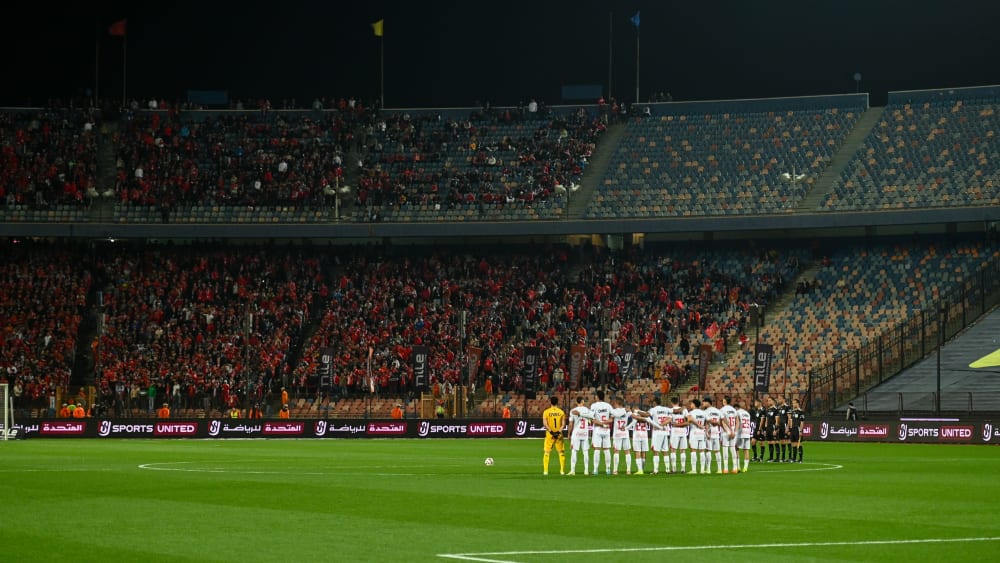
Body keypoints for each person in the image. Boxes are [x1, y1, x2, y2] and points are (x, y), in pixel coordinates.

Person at [589, 389, 614, 475]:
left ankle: (596, 470)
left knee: (597, 449)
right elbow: (612, 418)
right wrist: (605, 423)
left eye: (595, 396)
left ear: (597, 397)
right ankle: (608, 469)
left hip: (598, 430)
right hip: (606, 430)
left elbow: (592, 419)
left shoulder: (594, 405)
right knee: (606, 450)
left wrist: (601, 424)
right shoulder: (608, 405)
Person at [646, 397, 672, 475]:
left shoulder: (653, 409)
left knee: (656, 451)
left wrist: (638, 412)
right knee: (665, 451)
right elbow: (670, 418)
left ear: (654, 402)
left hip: (657, 432)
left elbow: (646, 415)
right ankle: (667, 469)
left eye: (652, 402)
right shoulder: (666, 409)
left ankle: (655, 470)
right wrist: (662, 424)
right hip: (665, 432)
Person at [541, 396, 567, 476]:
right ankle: (562, 471)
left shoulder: (546, 412)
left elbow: (545, 424)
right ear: (557, 402)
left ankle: (546, 471)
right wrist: (558, 432)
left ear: (550, 402)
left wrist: (551, 432)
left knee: (547, 452)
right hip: (559, 435)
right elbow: (563, 424)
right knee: (561, 452)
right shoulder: (561, 412)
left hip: (550, 435)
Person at [567, 397, 592, 475]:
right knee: (585, 451)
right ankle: (586, 470)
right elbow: (591, 420)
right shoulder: (587, 410)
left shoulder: (573, 411)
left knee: (574, 451)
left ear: (577, 402)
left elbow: (570, 424)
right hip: (584, 433)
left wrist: (569, 434)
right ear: (582, 401)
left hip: (576, 433)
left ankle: (572, 470)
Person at [702, 396, 726, 474]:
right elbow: (721, 422)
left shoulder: (705, 412)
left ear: (708, 402)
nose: (703, 403)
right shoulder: (718, 411)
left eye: (704, 402)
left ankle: (708, 469)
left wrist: (707, 432)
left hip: (709, 433)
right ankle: (719, 469)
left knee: (708, 450)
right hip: (716, 433)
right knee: (717, 451)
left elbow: (706, 423)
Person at [610, 397, 632, 475]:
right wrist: (627, 410)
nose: (613, 404)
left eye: (614, 402)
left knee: (616, 451)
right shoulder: (627, 411)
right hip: (625, 433)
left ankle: (615, 470)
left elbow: (613, 417)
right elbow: (633, 416)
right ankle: (628, 470)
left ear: (617, 403)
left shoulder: (614, 411)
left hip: (617, 434)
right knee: (627, 451)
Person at [668, 396, 689, 474]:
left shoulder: (670, 410)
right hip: (683, 431)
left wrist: (676, 424)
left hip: (675, 431)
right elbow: (688, 421)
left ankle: (674, 469)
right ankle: (683, 469)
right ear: (678, 402)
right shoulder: (684, 410)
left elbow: (670, 421)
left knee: (673, 450)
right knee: (682, 450)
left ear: (671, 402)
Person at [686, 398, 708, 474]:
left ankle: (694, 469)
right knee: (702, 451)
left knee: (693, 450)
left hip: (694, 432)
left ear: (694, 404)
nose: (690, 405)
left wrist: (698, 425)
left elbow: (689, 419)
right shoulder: (703, 413)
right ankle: (702, 469)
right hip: (702, 432)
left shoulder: (691, 412)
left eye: (691, 403)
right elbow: (706, 422)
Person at [719, 396, 740, 474]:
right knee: (733, 449)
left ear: (724, 401)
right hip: (733, 432)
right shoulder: (734, 410)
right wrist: (735, 431)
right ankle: (735, 468)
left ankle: (726, 469)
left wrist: (727, 430)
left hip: (726, 432)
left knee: (725, 449)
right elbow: (737, 422)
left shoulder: (722, 410)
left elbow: (722, 422)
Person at [735, 402, 753, 473]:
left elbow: (737, 422)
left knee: (736, 449)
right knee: (746, 450)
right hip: (747, 433)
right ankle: (745, 468)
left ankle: (738, 467)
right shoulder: (747, 414)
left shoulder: (737, 412)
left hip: (740, 433)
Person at [789, 398, 806, 463]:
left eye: (794, 403)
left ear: (797, 403)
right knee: (793, 444)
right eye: (792, 403)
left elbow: (802, 422)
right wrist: (790, 429)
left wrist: (801, 431)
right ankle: (794, 458)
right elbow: (791, 421)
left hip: (797, 429)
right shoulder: (792, 411)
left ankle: (800, 459)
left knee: (799, 444)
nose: (793, 404)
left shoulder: (801, 412)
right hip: (793, 429)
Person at [763, 396, 779, 462]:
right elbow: (766, 420)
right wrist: (765, 429)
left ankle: (777, 458)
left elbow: (777, 420)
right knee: (769, 442)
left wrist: (775, 429)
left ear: (773, 401)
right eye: (768, 401)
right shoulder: (767, 410)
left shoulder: (776, 410)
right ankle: (771, 458)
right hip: (768, 428)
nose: (768, 402)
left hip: (773, 427)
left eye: (770, 400)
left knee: (775, 442)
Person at [777, 397, 792, 462]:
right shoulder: (779, 407)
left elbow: (789, 418)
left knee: (788, 440)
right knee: (782, 441)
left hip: (785, 426)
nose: (779, 400)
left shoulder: (787, 407)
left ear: (783, 399)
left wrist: (788, 427)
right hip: (780, 426)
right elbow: (778, 418)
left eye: (780, 399)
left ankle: (790, 457)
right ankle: (783, 457)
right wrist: (777, 426)